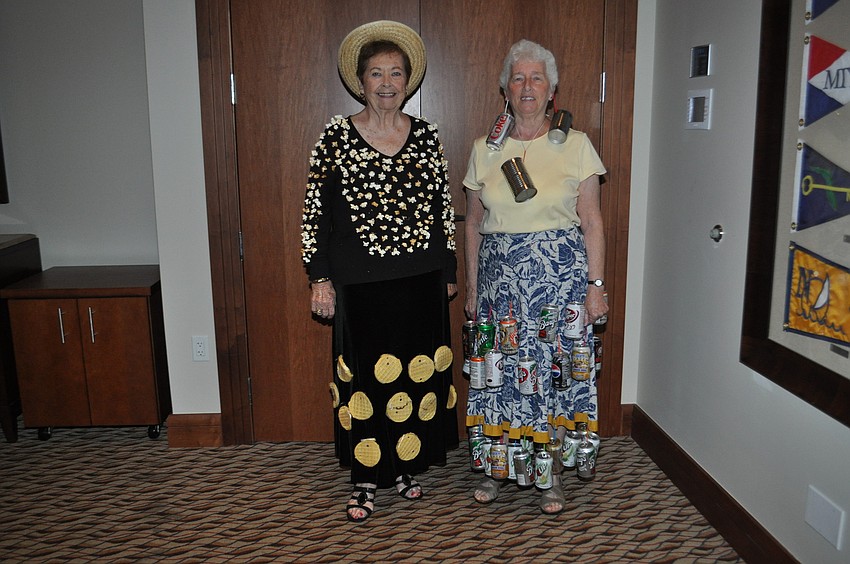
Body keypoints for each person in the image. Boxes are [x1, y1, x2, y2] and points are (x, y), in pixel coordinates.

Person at [301, 20, 459, 523]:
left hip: (420, 279)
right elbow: (315, 214)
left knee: (415, 375)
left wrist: (450, 269)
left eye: (396, 73)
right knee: (367, 380)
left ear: (408, 81)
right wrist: (319, 277)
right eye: (376, 73)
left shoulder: (427, 136)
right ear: (361, 81)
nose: (386, 83)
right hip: (360, 284)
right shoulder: (336, 136)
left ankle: (405, 465)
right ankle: (366, 476)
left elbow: (441, 207)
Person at [463, 39, 608, 515]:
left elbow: (592, 221)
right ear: (505, 88)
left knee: (554, 375)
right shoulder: (484, 150)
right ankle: (497, 470)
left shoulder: (578, 145)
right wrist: (470, 289)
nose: (527, 87)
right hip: (500, 286)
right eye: (518, 78)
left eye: (537, 78)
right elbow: (472, 223)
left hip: (560, 283)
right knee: (500, 374)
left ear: (552, 90)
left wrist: (596, 287)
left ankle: (552, 479)